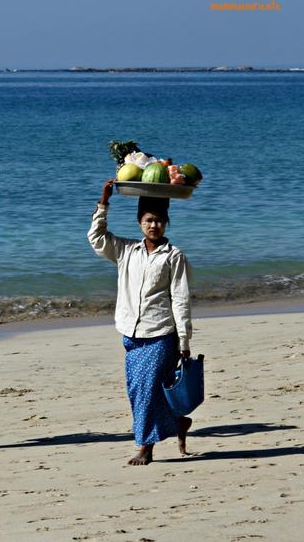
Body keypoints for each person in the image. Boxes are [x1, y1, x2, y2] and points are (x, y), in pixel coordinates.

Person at [87, 178, 193, 465]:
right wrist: (104, 201)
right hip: (130, 334)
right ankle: (178, 423)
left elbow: (181, 299)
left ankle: (145, 446)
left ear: (166, 223)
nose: (153, 226)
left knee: (145, 390)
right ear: (139, 222)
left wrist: (184, 341)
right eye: (148, 220)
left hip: (160, 333)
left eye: (158, 221)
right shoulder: (126, 251)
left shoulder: (174, 257)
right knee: (138, 390)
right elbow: (96, 238)